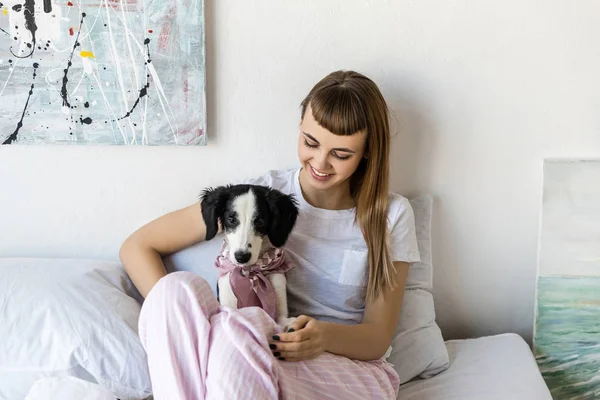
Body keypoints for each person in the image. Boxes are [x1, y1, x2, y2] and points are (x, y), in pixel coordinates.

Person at [119, 70, 421, 399]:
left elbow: (378, 338)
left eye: (341, 154)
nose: (320, 162)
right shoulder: (261, 198)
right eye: (311, 142)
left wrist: (323, 336)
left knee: (237, 332)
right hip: (253, 349)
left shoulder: (389, 214)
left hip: (348, 368)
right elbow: (138, 246)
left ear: (366, 153)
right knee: (176, 291)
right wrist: (186, 326)